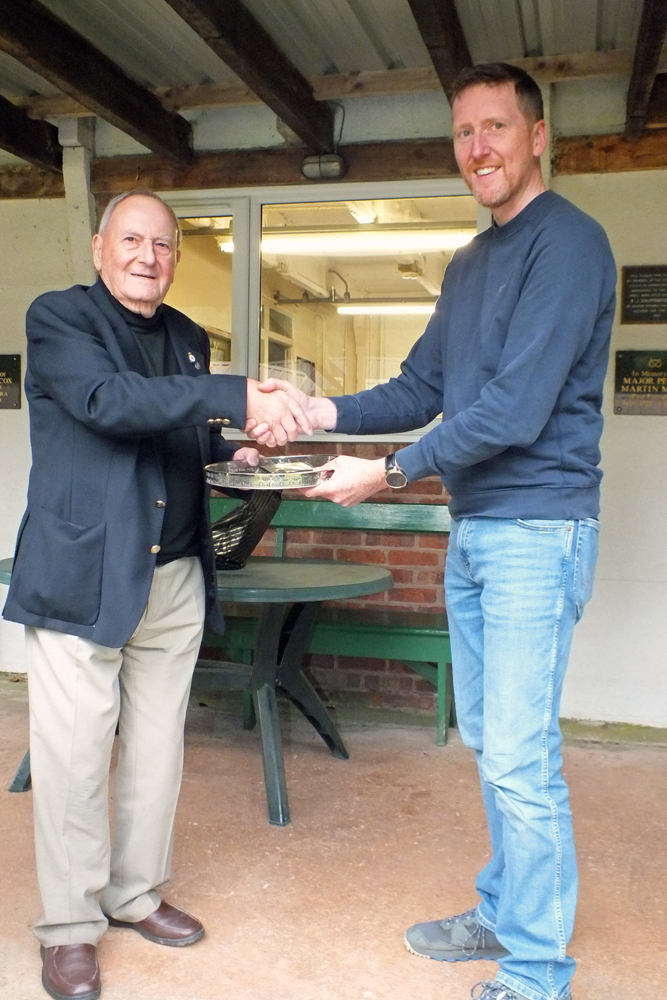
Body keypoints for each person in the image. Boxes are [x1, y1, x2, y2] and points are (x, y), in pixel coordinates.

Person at [249, 64, 616, 1000]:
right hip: (480, 527)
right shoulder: (468, 261)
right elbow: (421, 386)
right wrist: (319, 411)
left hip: (538, 527)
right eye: (464, 133)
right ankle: (503, 914)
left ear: (537, 135)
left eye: (496, 127)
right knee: (494, 744)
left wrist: (391, 472)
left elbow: (513, 409)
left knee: (522, 758)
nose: (479, 148)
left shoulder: (568, 245)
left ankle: (535, 974)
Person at [2, 190, 308, 1000]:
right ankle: (69, 928)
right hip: (82, 575)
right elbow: (108, 406)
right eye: (132, 240)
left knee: (155, 752)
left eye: (164, 244)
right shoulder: (60, 320)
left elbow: (189, 431)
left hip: (172, 576)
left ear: (175, 257)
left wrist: (234, 451)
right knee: (70, 761)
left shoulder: (187, 339)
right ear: (101, 247)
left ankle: (133, 894)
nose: (148, 256)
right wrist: (235, 393)